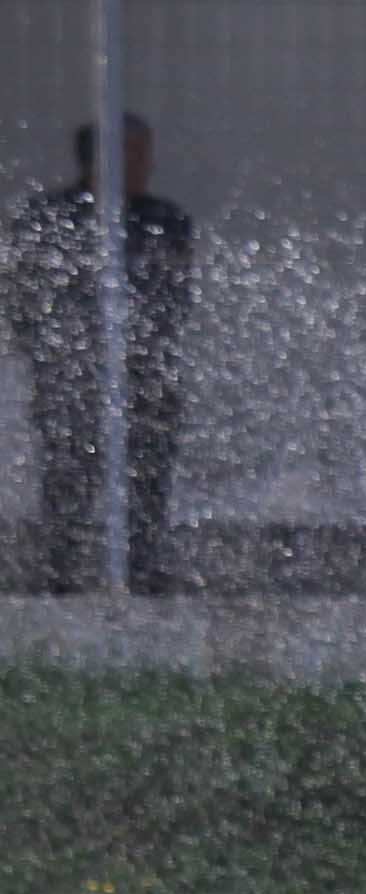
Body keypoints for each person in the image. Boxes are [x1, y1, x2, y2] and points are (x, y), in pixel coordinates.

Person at [6, 114, 194, 593]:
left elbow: (172, 298)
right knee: (70, 469)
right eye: (136, 153)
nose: (148, 164)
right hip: (71, 375)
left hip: (144, 373)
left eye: (146, 152)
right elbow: (20, 295)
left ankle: (141, 566)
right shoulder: (50, 217)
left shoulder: (164, 219)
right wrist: (49, 352)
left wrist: (145, 352)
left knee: (147, 472)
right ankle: (61, 570)